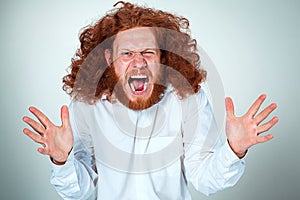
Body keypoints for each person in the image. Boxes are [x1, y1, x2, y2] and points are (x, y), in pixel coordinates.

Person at [22, 2, 278, 200]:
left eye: (147, 52)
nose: (139, 62)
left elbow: (204, 179)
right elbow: (82, 192)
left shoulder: (187, 97)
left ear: (162, 58)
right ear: (109, 57)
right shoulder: (87, 103)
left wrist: (235, 150)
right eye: (127, 53)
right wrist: (61, 160)